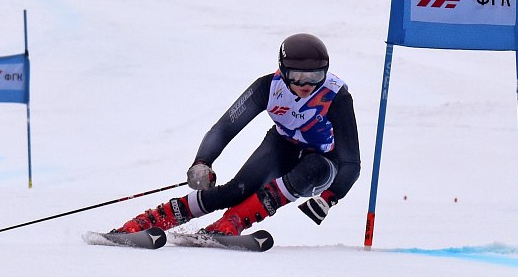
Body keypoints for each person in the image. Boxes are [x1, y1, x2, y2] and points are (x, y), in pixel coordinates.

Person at [113, 33, 360, 236]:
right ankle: (149, 221)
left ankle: (232, 222)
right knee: (236, 190)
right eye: (297, 76)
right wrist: (202, 163)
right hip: (283, 144)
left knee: (312, 167)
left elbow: (351, 162)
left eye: (316, 76)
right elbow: (225, 128)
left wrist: (330, 197)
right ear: (283, 70)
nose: (306, 85)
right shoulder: (267, 87)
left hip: (325, 163)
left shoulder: (336, 97)